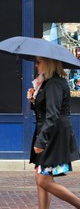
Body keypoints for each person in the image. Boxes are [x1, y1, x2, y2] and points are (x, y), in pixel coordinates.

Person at [27, 56, 80, 209]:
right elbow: (45, 111)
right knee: (41, 176)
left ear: (48, 63)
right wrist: (33, 101)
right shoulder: (47, 82)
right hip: (48, 132)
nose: (36, 65)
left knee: (44, 180)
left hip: (53, 135)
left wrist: (41, 140)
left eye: (38, 62)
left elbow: (53, 114)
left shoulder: (54, 83)